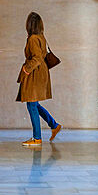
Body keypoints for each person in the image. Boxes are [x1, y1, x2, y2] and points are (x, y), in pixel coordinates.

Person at [17, 11, 62, 147]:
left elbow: (36, 57)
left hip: (35, 73)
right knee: (34, 103)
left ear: (29, 25)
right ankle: (54, 125)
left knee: (31, 103)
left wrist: (26, 69)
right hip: (42, 72)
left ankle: (37, 138)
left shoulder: (32, 39)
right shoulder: (41, 37)